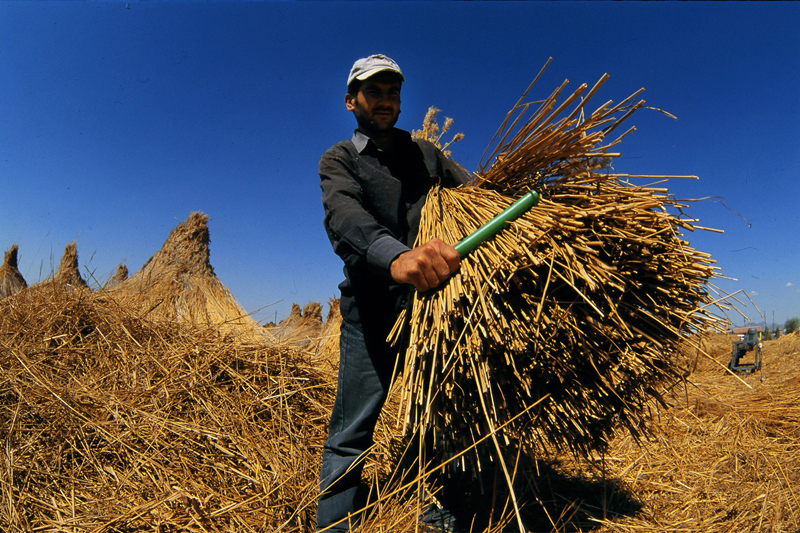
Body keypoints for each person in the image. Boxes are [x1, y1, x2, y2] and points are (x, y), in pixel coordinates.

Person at [316, 54, 469, 532]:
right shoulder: (340, 159)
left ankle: (435, 512)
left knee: (439, 418)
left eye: (393, 92)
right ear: (350, 101)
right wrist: (396, 257)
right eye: (374, 92)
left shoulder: (426, 155)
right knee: (353, 427)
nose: (385, 101)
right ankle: (333, 523)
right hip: (374, 307)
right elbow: (345, 219)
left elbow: (475, 196)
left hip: (436, 308)